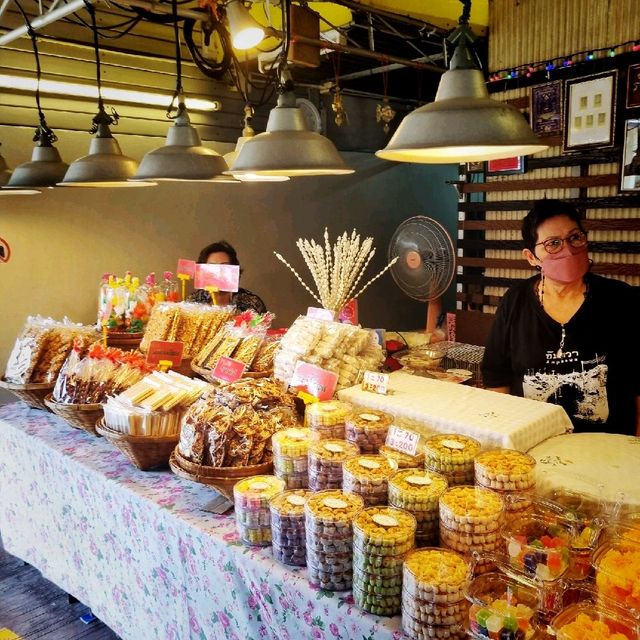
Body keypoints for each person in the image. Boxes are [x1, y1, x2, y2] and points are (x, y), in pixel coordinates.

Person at [481, 199, 640, 437]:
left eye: (575, 237)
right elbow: (497, 376)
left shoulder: (620, 299)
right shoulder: (515, 301)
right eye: (553, 243)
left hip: (607, 451)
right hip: (531, 444)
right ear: (531, 257)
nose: (568, 249)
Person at [187, 240, 267, 313]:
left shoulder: (252, 303)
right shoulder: (194, 302)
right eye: (212, 267)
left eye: (224, 267)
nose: (218, 273)